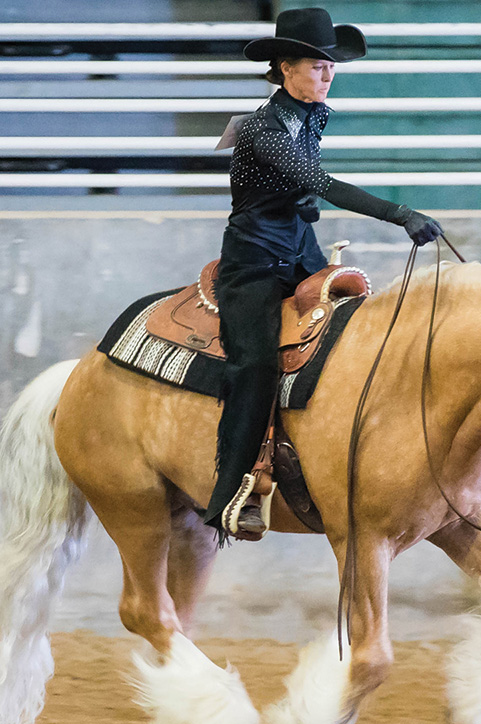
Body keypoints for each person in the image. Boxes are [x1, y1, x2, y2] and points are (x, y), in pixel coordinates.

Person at [204, 7, 443, 536]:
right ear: (285, 68)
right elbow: (323, 182)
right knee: (257, 364)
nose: (327, 74)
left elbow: (300, 187)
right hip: (255, 260)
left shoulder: (309, 115)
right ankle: (232, 491)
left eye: (330, 66)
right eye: (316, 66)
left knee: (356, 331)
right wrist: (399, 214)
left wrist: (298, 204)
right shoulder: (261, 129)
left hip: (300, 250)